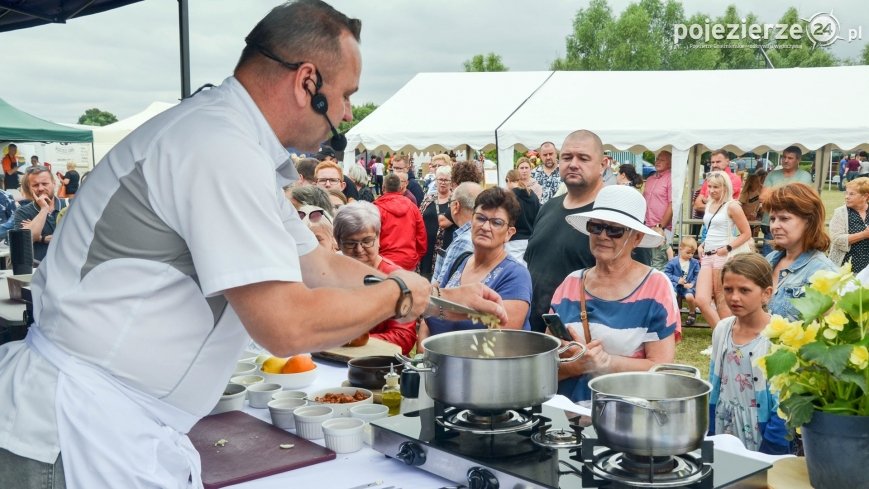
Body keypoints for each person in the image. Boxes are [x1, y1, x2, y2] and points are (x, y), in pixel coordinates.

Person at [0, 3, 506, 487]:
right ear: (308, 82)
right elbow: (286, 325)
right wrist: (397, 294)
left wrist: (442, 298)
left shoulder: (232, 142)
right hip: (82, 428)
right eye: (347, 94)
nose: (349, 112)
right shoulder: (218, 146)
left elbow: (320, 267)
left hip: (115, 422)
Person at [551, 185, 679, 402]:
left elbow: (661, 372)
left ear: (637, 238)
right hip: (566, 422)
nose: (602, 235)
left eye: (614, 230)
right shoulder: (570, 284)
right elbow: (546, 366)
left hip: (624, 420)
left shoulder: (656, 287)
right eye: (596, 227)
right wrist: (575, 366)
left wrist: (607, 363)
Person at [524, 130, 652, 333]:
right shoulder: (548, 207)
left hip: (587, 343)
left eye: (583, 158)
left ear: (603, 165)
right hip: (537, 336)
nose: (573, 164)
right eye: (567, 157)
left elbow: (638, 286)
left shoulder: (616, 218)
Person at [419, 187, 532, 348]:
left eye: (496, 222)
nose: (486, 227)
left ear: (509, 233)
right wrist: (424, 355)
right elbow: (428, 314)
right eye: (480, 218)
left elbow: (500, 343)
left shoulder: (516, 276)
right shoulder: (460, 261)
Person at [708, 254, 791, 455]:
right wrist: (710, 427)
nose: (734, 297)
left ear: (766, 293)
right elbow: (714, 381)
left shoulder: (779, 336)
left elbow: (785, 401)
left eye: (744, 290)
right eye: (728, 289)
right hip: (723, 425)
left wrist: (772, 445)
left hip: (760, 431)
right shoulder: (722, 329)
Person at [333, 202, 417, 354]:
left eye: (366, 241)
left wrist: (352, 342)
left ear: (378, 237)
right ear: (338, 242)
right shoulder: (329, 274)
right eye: (350, 243)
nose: (359, 250)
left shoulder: (395, 279)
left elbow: (404, 337)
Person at [763, 183, 836, 320]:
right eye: (772, 218)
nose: (774, 226)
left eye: (784, 218)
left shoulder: (824, 272)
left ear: (809, 221)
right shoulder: (770, 259)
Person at [695, 172, 752, 327]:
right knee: (701, 299)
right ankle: (721, 335)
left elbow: (747, 233)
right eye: (710, 186)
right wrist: (702, 244)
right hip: (707, 253)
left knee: (722, 298)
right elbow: (711, 229)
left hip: (722, 255)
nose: (712, 190)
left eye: (716, 187)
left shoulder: (732, 206)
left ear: (725, 187)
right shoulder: (709, 204)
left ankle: (726, 339)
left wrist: (727, 248)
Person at [759, 146, 812, 255]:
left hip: (793, 225)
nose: (786, 160)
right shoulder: (772, 174)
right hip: (770, 223)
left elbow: (800, 200)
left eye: (790, 158)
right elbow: (763, 197)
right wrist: (789, 196)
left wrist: (774, 194)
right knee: (769, 258)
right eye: (784, 157)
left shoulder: (805, 176)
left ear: (798, 160)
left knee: (791, 257)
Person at [12, 166, 69, 262]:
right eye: (35, 185)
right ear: (30, 188)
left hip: (67, 265)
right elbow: (25, 240)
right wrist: (44, 209)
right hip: (38, 267)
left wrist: (38, 237)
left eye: (45, 184)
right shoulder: (23, 212)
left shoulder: (69, 206)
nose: (41, 188)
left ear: (54, 184)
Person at [431, 182, 483, 285]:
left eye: (450, 202)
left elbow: (442, 287)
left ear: (456, 206)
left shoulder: (463, 241)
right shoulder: (482, 235)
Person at [374, 173, 426, 270]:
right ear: (400, 188)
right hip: (408, 261)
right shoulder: (413, 207)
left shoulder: (376, 209)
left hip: (384, 262)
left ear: (383, 188)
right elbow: (421, 237)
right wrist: (415, 257)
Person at [417, 166, 454, 279]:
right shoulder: (428, 199)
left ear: (451, 182)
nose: (442, 183)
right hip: (426, 248)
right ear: (436, 181)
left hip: (445, 249)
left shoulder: (454, 201)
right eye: (440, 180)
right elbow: (419, 219)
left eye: (446, 180)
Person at [828, 177, 869, 274]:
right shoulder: (840, 213)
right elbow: (837, 239)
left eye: (851, 194)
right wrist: (864, 234)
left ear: (865, 196)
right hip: (844, 271)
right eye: (846, 193)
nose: (846, 196)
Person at [643, 151, 674, 271]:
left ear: (670, 163)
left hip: (661, 228)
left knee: (660, 263)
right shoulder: (650, 179)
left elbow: (672, 204)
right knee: (647, 260)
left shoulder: (671, 179)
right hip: (646, 225)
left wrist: (660, 226)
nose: (657, 162)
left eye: (662, 160)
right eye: (657, 159)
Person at [504, 169, 540, 265]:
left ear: (508, 180)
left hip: (513, 240)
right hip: (530, 239)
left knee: (514, 273)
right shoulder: (533, 195)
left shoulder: (508, 197)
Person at [664, 237, 700, 326]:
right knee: (672, 296)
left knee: (689, 297)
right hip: (675, 285)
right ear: (680, 248)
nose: (690, 255)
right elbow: (666, 273)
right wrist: (677, 279)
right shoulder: (673, 262)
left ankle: (692, 312)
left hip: (687, 286)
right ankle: (672, 315)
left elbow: (698, 275)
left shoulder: (695, 263)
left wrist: (692, 284)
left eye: (693, 253)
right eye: (688, 253)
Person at [693, 149, 743, 214]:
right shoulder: (709, 178)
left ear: (727, 162)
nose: (714, 165)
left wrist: (706, 201)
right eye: (712, 162)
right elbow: (697, 205)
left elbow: (719, 200)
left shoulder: (734, 179)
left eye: (718, 162)